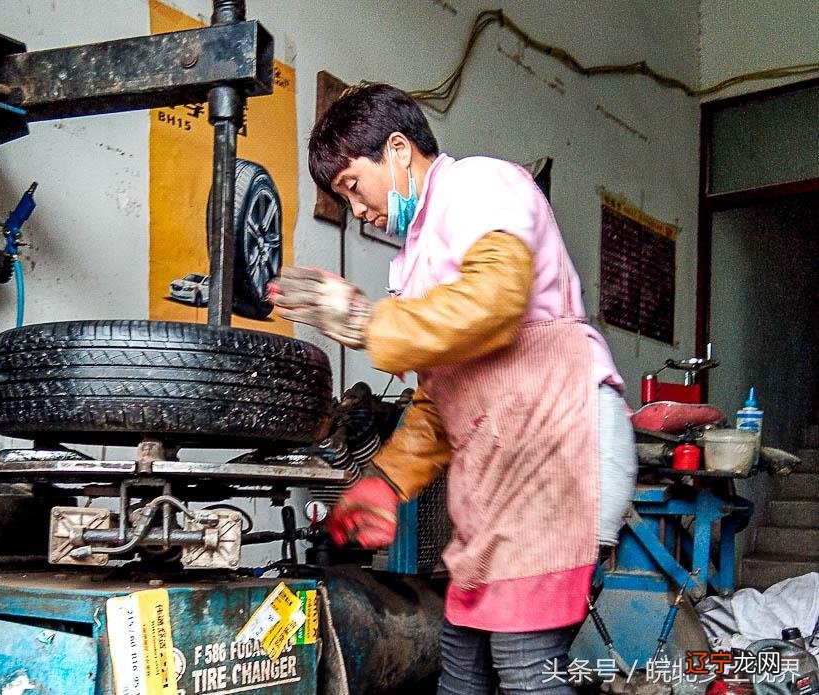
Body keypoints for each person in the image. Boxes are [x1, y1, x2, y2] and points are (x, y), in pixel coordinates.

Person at [272, 83, 637, 695]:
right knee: (462, 665)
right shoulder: (415, 259)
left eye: (352, 187)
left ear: (396, 150)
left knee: (524, 670)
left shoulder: (479, 184)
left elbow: (497, 300)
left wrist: (367, 322)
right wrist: (385, 483)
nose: (357, 210)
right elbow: (443, 399)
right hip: (508, 472)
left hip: (558, 452)